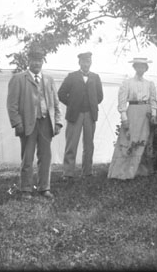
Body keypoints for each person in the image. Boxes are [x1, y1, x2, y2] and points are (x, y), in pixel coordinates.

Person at [7, 47, 63, 199]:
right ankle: (26, 189)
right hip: (27, 124)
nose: (37, 63)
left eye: (39, 60)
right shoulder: (18, 78)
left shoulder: (49, 79)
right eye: (34, 60)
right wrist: (17, 123)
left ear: (42, 62)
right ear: (29, 61)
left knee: (46, 157)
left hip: (46, 123)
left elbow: (56, 103)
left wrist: (57, 122)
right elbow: (12, 104)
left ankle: (44, 188)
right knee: (27, 157)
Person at [108, 57, 157, 180]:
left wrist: (154, 115)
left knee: (143, 140)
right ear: (134, 67)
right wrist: (124, 118)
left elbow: (153, 101)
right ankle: (122, 172)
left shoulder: (149, 84)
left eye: (143, 66)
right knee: (129, 139)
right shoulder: (127, 83)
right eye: (138, 66)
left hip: (145, 113)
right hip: (132, 112)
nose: (141, 69)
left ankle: (141, 170)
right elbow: (122, 102)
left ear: (146, 68)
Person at [58, 51, 104, 179]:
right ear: (79, 63)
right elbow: (61, 94)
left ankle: (87, 172)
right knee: (71, 144)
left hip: (90, 114)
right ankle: (68, 173)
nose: (86, 64)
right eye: (83, 62)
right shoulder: (71, 76)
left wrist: (92, 104)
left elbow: (100, 96)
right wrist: (72, 104)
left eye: (88, 61)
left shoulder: (95, 77)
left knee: (89, 144)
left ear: (91, 63)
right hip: (75, 114)